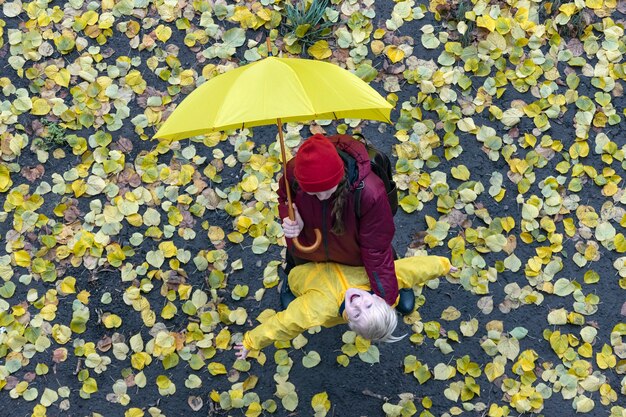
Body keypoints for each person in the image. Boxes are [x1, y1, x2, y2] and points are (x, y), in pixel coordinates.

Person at [234, 255, 457, 360]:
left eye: (357, 313)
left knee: (289, 304)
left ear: (350, 322)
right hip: (340, 253)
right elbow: (413, 268)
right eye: (368, 303)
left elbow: (283, 325)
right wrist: (443, 265)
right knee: (395, 278)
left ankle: (287, 288)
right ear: (378, 298)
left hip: (305, 273)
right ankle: (397, 297)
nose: (358, 302)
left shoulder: (316, 309)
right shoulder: (374, 281)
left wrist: (250, 342)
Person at [278, 134, 407, 310]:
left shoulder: (369, 192)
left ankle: (396, 283)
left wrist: (385, 298)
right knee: (297, 263)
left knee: (382, 265)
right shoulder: (293, 172)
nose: (322, 197)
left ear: (340, 176)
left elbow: (376, 248)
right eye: (313, 193)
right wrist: (291, 216)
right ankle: (292, 280)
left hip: (354, 254)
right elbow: (285, 198)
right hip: (310, 250)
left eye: (325, 189)